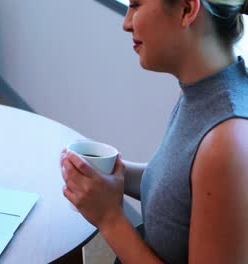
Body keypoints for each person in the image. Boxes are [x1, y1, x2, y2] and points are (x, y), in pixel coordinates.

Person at [60, 0, 248, 262]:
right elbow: (181, 185)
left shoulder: (227, 140)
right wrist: (114, 174)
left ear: (186, 9)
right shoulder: (203, 91)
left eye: (136, 5)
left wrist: (110, 219)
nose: (126, 23)